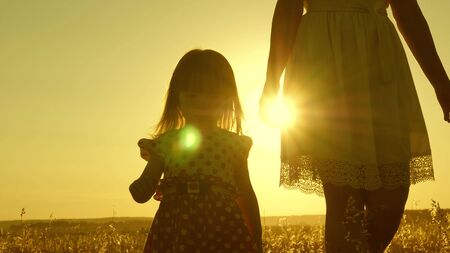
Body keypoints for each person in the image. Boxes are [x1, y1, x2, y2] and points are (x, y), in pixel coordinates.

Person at [260, 0, 450, 252]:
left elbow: (408, 13)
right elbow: (287, 10)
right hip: (323, 63)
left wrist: (441, 82)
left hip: (379, 60)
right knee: (343, 199)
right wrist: (272, 79)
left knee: (392, 197)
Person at [130, 49, 263, 253]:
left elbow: (245, 191)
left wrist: (256, 235)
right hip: (176, 225)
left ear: (227, 100)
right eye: (193, 96)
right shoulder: (167, 143)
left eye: (213, 97)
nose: (203, 103)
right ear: (177, 99)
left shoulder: (234, 144)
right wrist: (142, 186)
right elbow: (148, 180)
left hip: (223, 224)